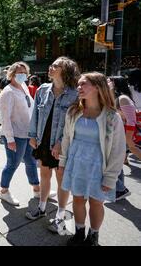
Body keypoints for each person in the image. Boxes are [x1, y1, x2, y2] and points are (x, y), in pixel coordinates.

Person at [60, 72, 125, 246]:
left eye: (84, 84)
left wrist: (111, 177)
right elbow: (66, 138)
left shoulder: (112, 117)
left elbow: (118, 150)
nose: (79, 88)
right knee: (78, 199)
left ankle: (93, 237)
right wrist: (62, 162)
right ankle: (79, 233)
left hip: (99, 167)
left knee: (96, 203)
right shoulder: (74, 111)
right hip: (76, 163)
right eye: (78, 84)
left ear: (98, 87)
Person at [25, 57, 80, 234]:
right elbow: (35, 114)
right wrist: (32, 136)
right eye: (52, 65)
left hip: (61, 143)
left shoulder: (75, 94)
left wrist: (61, 143)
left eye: (56, 66)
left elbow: (74, 123)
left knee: (61, 178)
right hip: (43, 140)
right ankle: (41, 208)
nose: (51, 67)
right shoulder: (42, 89)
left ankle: (60, 214)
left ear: (65, 71)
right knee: (44, 174)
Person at [0, 62, 40, 206]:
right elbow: (5, 118)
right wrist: (10, 139)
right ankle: (4, 191)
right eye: (19, 72)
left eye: (24, 72)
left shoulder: (23, 88)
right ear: (11, 74)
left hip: (27, 133)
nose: (22, 75)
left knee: (31, 162)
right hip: (15, 135)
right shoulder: (8, 92)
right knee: (12, 164)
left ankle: (37, 188)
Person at [108, 76, 141, 200]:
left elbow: (131, 121)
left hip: (124, 136)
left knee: (113, 162)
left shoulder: (122, 99)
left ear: (116, 84)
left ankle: (120, 189)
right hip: (119, 135)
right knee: (116, 163)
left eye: (109, 81)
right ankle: (120, 189)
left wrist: (128, 140)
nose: (106, 83)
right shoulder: (118, 98)